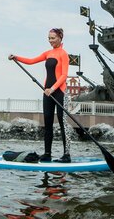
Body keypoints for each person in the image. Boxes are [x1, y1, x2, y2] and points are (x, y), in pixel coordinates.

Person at [9, 28, 70, 163]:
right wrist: (16, 58)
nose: (50, 41)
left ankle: (67, 155)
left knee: (62, 124)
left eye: (53, 38)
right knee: (47, 124)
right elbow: (31, 61)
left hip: (60, 92)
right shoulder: (48, 53)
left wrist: (53, 89)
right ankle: (47, 154)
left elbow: (64, 76)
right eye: (49, 38)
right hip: (47, 92)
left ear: (60, 38)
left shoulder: (63, 54)